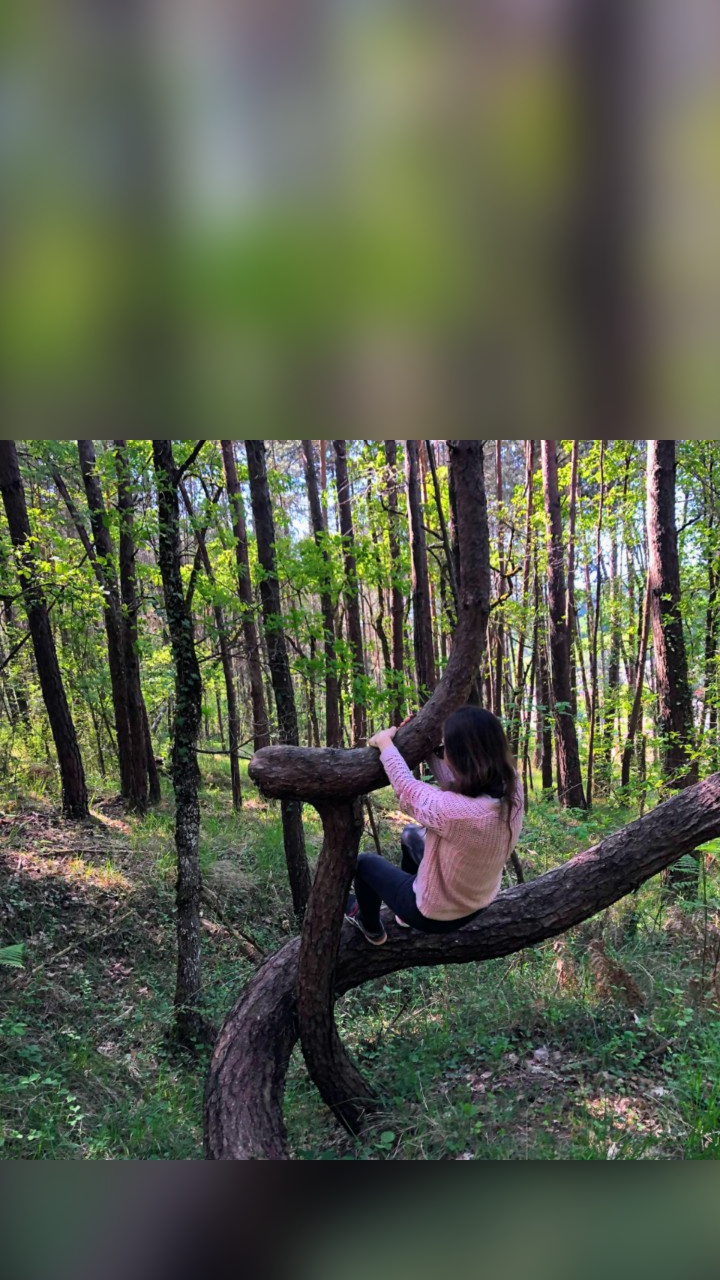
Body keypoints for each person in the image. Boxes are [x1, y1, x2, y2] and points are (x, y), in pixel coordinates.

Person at [344, 705, 524, 945]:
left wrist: (385, 743)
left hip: (434, 914)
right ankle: (402, 915)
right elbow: (457, 782)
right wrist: (427, 747)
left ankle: (371, 927)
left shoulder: (459, 813)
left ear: (461, 758)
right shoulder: (512, 785)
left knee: (364, 864)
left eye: (445, 749)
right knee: (410, 834)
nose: (443, 754)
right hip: (478, 901)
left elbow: (407, 789)